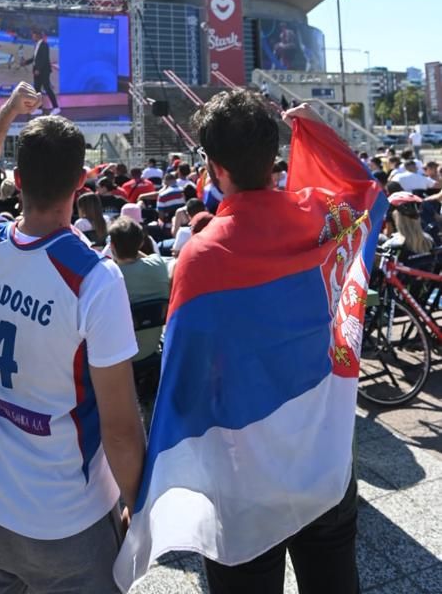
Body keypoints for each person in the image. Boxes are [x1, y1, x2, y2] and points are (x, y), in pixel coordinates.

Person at [114, 91, 386, 594]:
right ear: (273, 161)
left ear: (216, 168)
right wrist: (318, 130)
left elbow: (184, 385)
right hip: (325, 464)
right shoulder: (320, 218)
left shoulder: (203, 255)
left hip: (246, 482)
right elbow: (366, 191)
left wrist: (149, 486)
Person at [0, 81, 145, 594]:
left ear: (16, 181)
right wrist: (137, 500)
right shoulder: (94, 279)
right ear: (81, 182)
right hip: (69, 520)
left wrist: (7, 113)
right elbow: (122, 429)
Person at [107, 217, 170, 362]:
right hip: (152, 349)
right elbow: (146, 258)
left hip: (120, 357)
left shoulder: (109, 278)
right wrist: (133, 249)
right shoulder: (158, 265)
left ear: (112, 247)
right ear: (141, 243)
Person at [21, 29, 60, 114]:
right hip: (37, 71)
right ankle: (39, 109)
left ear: (37, 35)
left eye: (33, 35)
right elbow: (35, 58)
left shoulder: (44, 45)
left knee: (47, 88)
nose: (32, 37)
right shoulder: (37, 45)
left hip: (43, 71)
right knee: (37, 90)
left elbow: (44, 59)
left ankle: (56, 107)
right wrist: (26, 62)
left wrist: (38, 69)